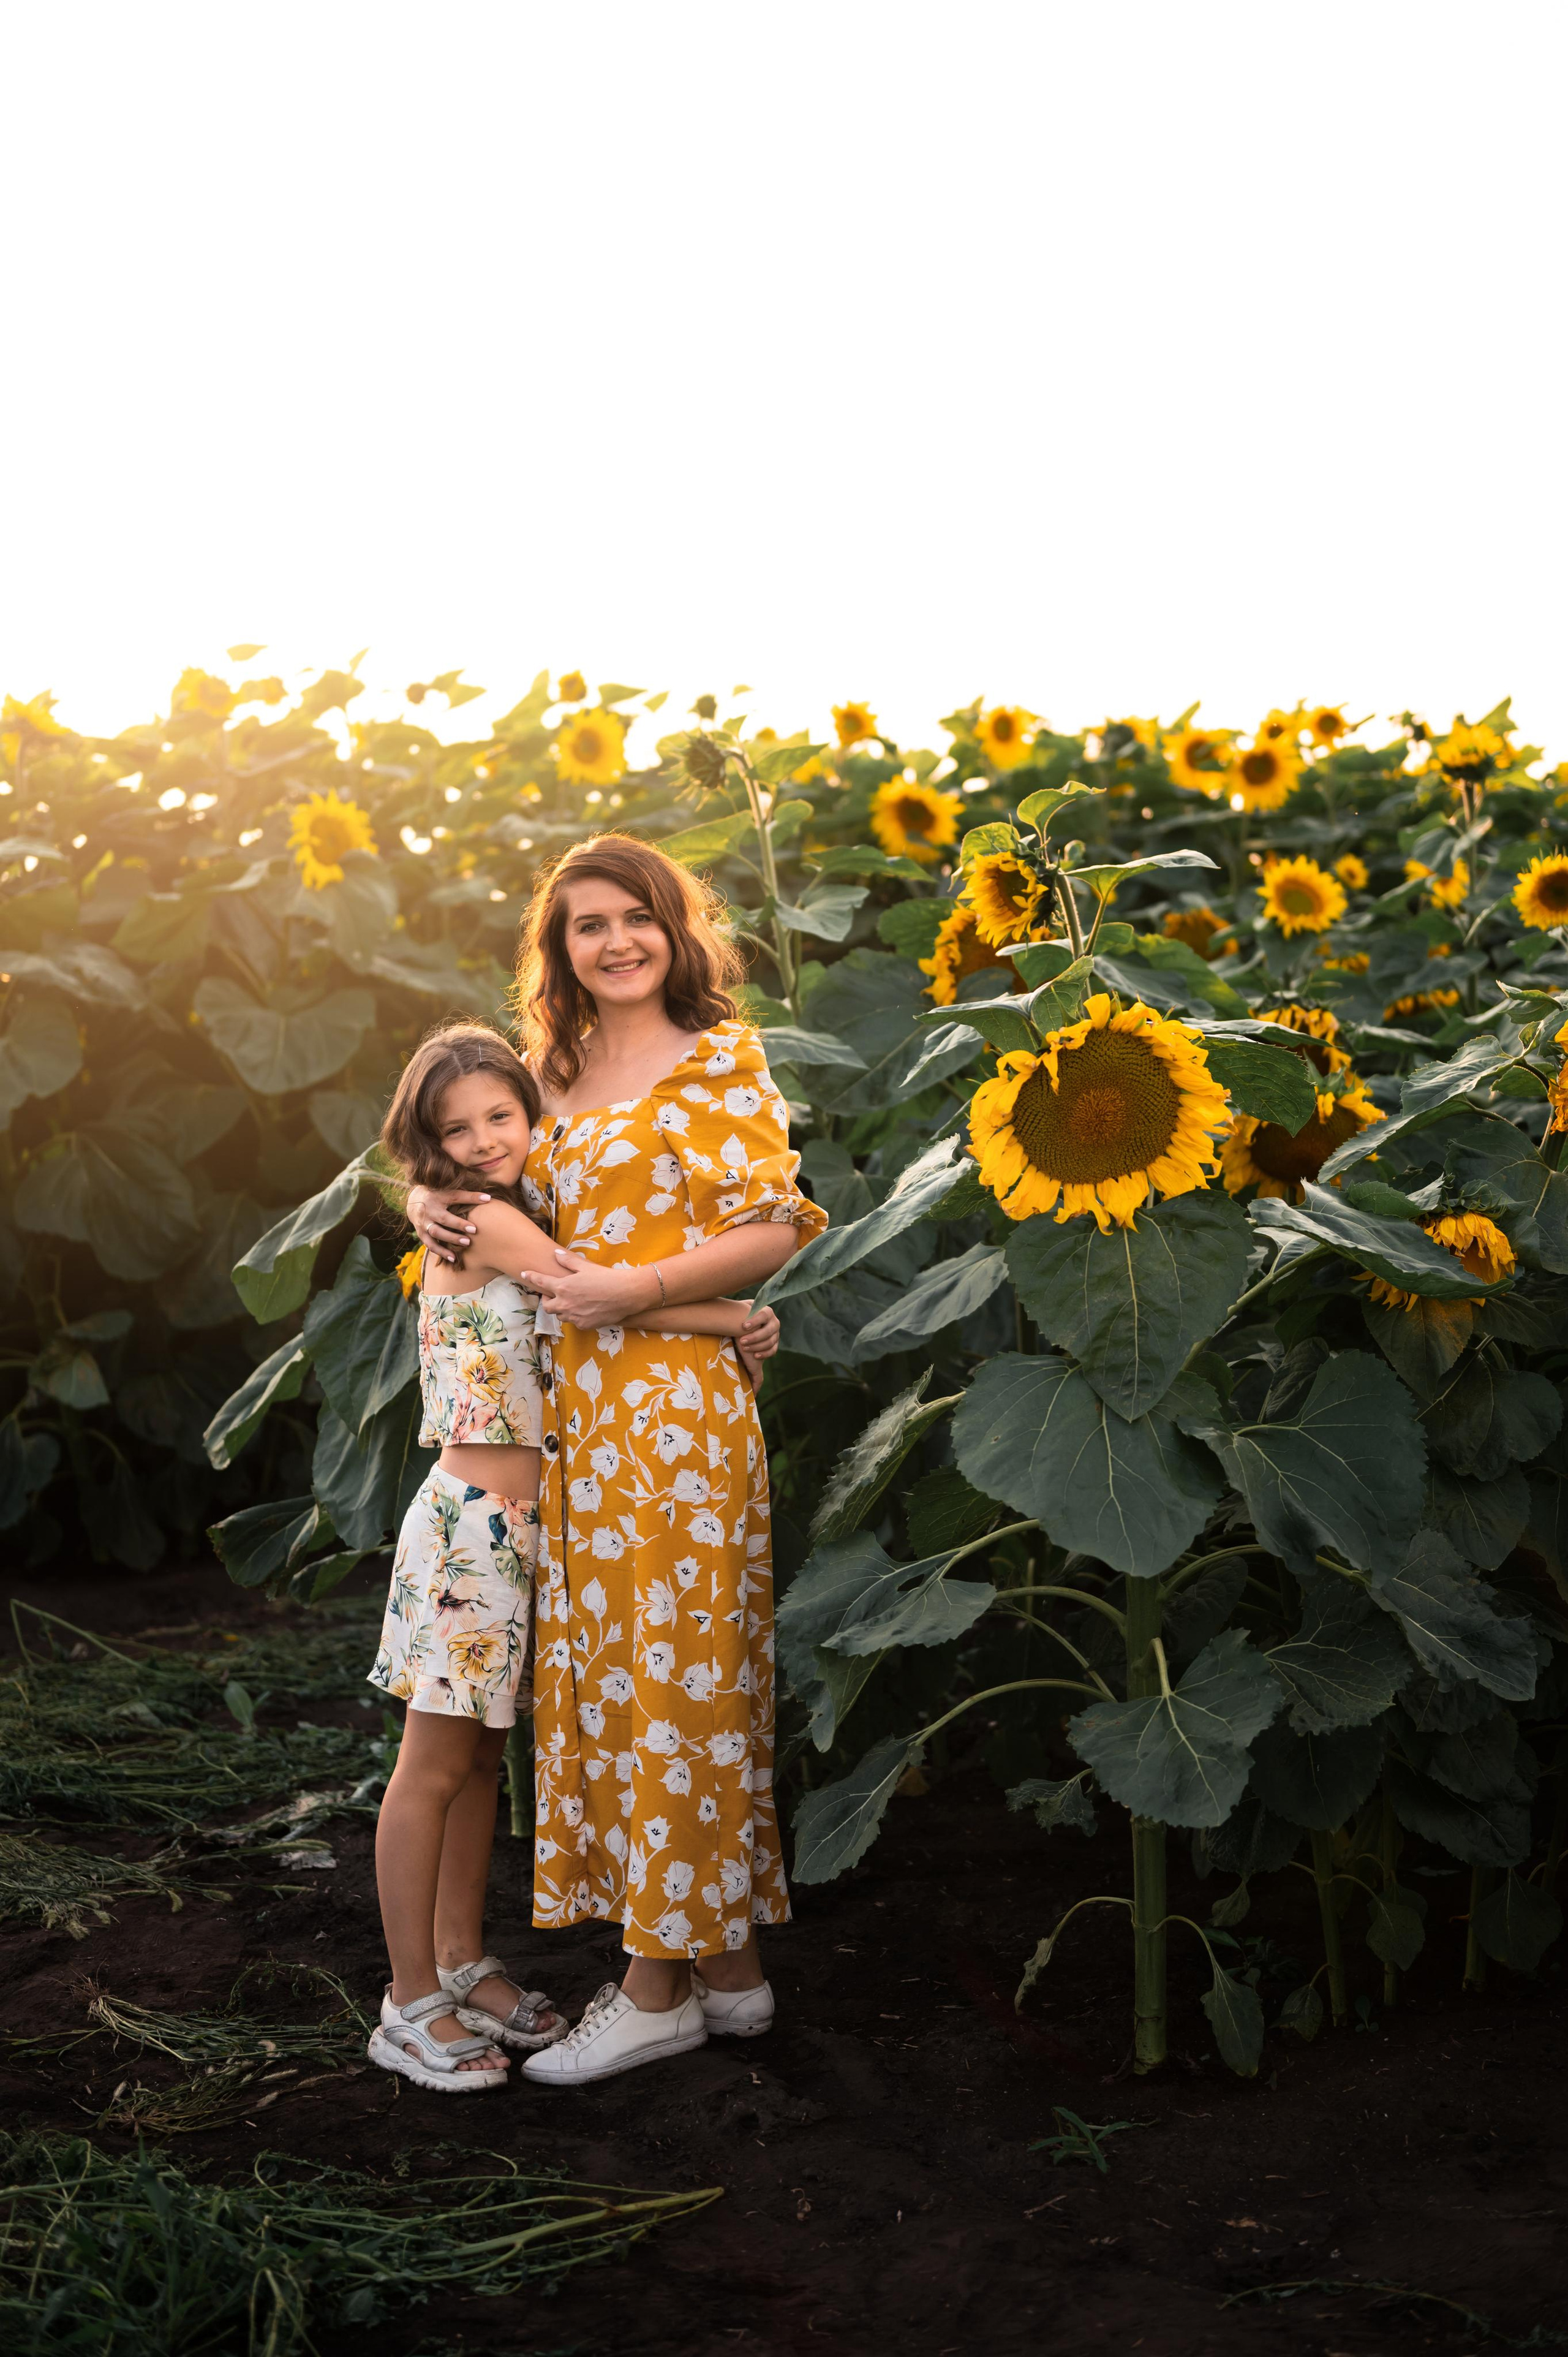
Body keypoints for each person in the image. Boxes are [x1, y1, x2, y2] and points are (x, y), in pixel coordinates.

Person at [407, 834, 827, 2086]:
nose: (614, 941)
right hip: (576, 1420)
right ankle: (731, 1971)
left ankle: (655, 1985)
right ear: (562, 949)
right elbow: (482, 1181)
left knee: (686, 1683)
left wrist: (649, 1289)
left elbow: (773, 1226)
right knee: (624, 1688)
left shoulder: (721, 1063)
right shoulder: (551, 1068)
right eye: (585, 924)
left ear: (674, 926)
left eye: (634, 916)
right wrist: (418, 1205)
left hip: (680, 1417)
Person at [368, 1017, 779, 2090]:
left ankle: (463, 1960)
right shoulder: (488, 1224)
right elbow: (582, 1288)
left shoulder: (489, 1209)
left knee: (481, 1764)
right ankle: (408, 2000)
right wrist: (734, 1311)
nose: (485, 1139)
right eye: (456, 1131)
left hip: (519, 1536)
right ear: (431, 1144)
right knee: (433, 1766)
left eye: (502, 1114)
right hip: (473, 1534)